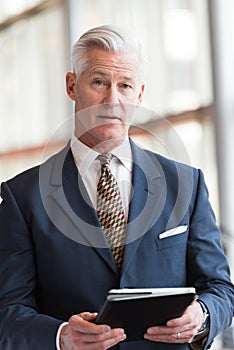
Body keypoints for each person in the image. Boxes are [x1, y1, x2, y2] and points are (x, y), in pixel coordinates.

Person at [0, 24, 233, 350]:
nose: (112, 100)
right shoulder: (22, 196)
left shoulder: (185, 184)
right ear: (72, 85)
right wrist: (63, 336)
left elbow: (220, 287)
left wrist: (202, 316)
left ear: (139, 94)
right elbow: (8, 313)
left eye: (125, 85)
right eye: (99, 82)